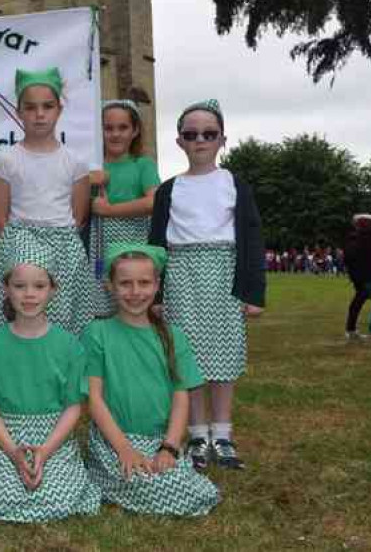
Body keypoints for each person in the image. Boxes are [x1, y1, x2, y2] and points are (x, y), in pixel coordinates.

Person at [149, 99, 266, 472]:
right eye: (191, 134)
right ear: (180, 141)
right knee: (189, 358)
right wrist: (158, 293)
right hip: (182, 275)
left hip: (223, 275)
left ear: (222, 140)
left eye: (208, 134)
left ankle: (224, 434)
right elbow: (157, 244)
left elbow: (251, 239)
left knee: (223, 356)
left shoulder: (235, 184)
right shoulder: (169, 190)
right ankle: (198, 433)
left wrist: (252, 292)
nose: (200, 140)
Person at [0, 230, 101, 522]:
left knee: (56, 496)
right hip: (5, 435)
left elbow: (72, 406)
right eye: (20, 286)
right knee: (6, 495)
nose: (29, 294)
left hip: (54, 436)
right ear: (6, 289)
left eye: (39, 286)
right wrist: (14, 452)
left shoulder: (69, 346)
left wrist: (47, 450)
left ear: (53, 290)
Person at [83, 244, 219, 516]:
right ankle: (106, 478)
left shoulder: (172, 336)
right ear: (110, 286)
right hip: (114, 440)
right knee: (141, 480)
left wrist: (169, 446)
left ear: (157, 285)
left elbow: (181, 396)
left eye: (144, 283)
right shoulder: (96, 333)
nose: (135, 292)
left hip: (159, 439)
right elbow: (94, 399)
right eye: (125, 283)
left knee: (186, 487)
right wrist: (124, 449)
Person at [0, 67, 105, 337]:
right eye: (31, 107)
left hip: (63, 243)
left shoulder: (75, 161)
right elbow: (1, 218)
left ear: (59, 110)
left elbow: (78, 216)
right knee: (22, 308)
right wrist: (21, 245)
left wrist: (59, 238)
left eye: (47, 106)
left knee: (60, 317)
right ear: (19, 112)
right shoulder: (5, 160)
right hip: (21, 238)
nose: (39, 114)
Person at [87, 99, 160, 292]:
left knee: (131, 295)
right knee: (100, 299)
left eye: (123, 127)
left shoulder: (142, 165)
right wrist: (87, 183)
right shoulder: (90, 168)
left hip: (133, 244)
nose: (115, 134)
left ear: (135, 131)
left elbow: (153, 202)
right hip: (97, 246)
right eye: (108, 128)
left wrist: (109, 210)